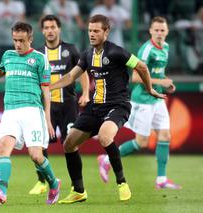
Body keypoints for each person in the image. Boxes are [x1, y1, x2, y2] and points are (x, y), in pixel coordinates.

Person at [50, 14, 165, 204]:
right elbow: (71, 76)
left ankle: (122, 183)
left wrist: (150, 88)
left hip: (118, 105)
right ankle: (78, 191)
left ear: (106, 32)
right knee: (69, 144)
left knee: (105, 136)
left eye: (96, 31)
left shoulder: (116, 52)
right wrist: (48, 87)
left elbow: (142, 67)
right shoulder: (87, 54)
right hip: (95, 107)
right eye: (90, 30)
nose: (92, 34)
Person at [0, 21, 61, 205]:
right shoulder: (8, 55)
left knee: (36, 156)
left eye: (22, 40)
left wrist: (47, 118)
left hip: (32, 110)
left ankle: (54, 184)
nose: (18, 44)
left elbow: (46, 91)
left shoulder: (40, 59)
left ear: (30, 38)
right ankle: (2, 191)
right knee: (3, 147)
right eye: (15, 40)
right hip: (10, 110)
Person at [97, 16, 181, 189]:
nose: (159, 33)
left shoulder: (165, 47)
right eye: (156, 30)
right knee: (141, 142)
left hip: (157, 99)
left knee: (165, 136)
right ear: (150, 31)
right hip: (143, 101)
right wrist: (161, 83)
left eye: (162, 30)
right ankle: (106, 159)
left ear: (167, 32)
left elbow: (156, 74)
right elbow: (135, 77)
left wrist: (165, 82)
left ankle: (161, 180)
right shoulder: (146, 50)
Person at [28, 14, 90, 195]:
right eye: (46, 28)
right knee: (38, 145)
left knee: (71, 145)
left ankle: (76, 185)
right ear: (42, 31)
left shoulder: (70, 50)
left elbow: (82, 73)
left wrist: (85, 93)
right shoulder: (38, 54)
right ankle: (42, 182)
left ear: (59, 29)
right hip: (46, 108)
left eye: (53, 27)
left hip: (68, 105)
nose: (50, 30)